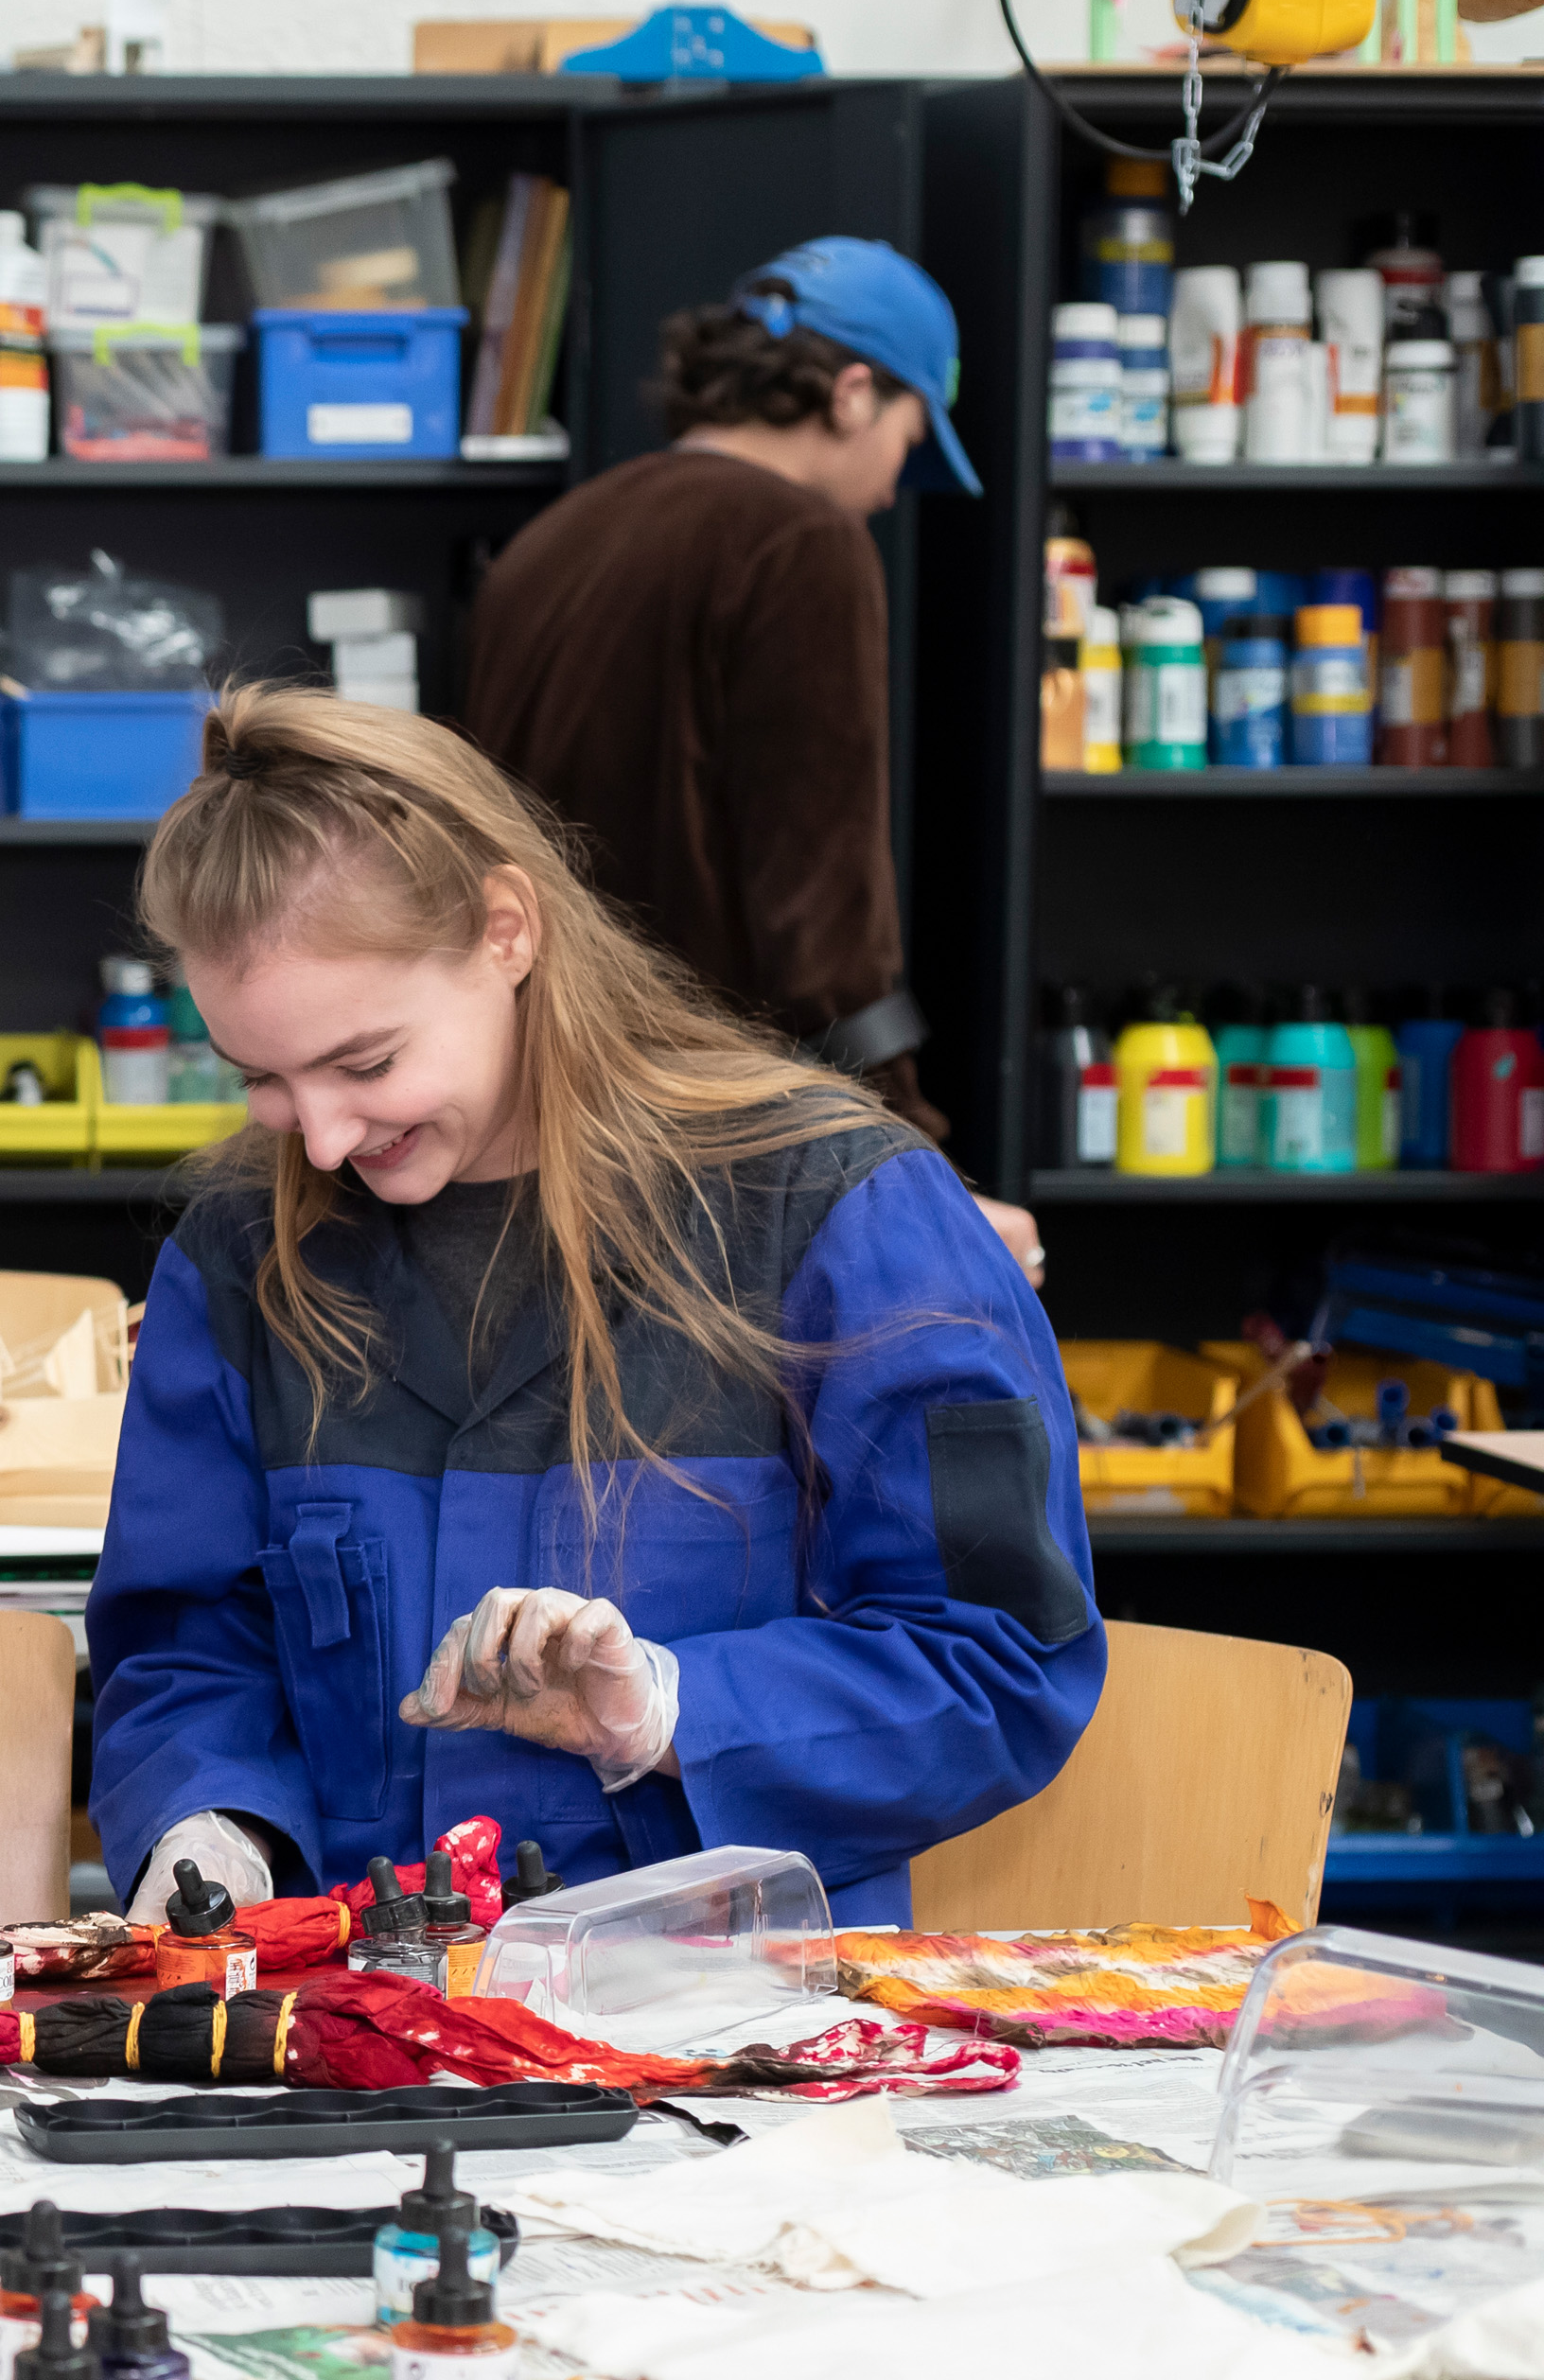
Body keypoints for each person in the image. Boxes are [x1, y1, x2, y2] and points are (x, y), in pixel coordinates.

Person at [95, 683, 1104, 1942]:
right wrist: (214, 1828)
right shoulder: (243, 1260)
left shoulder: (841, 1213)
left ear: (506, 929)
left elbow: (1005, 1662)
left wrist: (674, 1708)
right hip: (360, 2043)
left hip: (731, 2043)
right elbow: (189, 1654)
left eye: (365, 1064)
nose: (328, 1136)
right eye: (264, 1080)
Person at [459, 235, 1041, 1282]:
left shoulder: (553, 539)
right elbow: (820, 910)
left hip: (530, 1127)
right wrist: (913, 1163)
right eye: (909, 442)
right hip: (708, 1150)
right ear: (852, 394)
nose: (886, 488)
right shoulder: (799, 542)